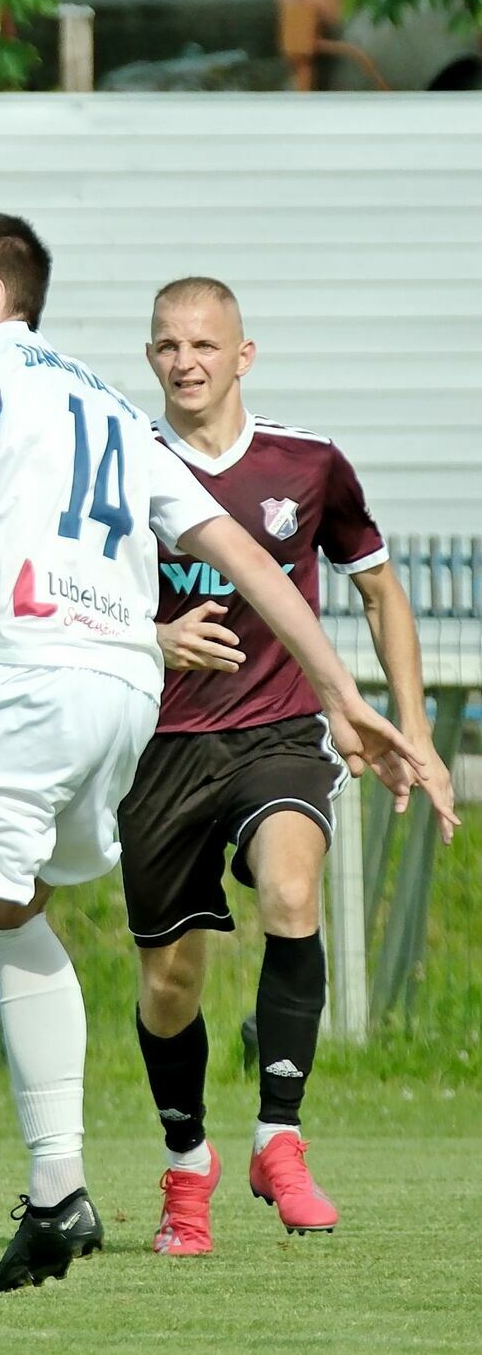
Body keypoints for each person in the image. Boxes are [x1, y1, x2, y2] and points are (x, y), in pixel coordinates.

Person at [0, 212, 440, 1299]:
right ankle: (59, 1191)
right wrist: (342, 693)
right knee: (8, 906)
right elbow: (244, 556)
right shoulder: (112, 405)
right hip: (124, 696)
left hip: (27, 682)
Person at [118, 276, 458, 1253]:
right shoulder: (120, 467)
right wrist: (152, 636)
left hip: (277, 738)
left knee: (294, 891)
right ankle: (189, 1164)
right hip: (158, 750)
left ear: (243, 355)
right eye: (167, 346)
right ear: (152, 358)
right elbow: (71, 593)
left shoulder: (307, 465)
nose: (185, 362)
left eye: (203, 345)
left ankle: (280, 1137)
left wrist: (413, 726)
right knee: (169, 985)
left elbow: (382, 591)